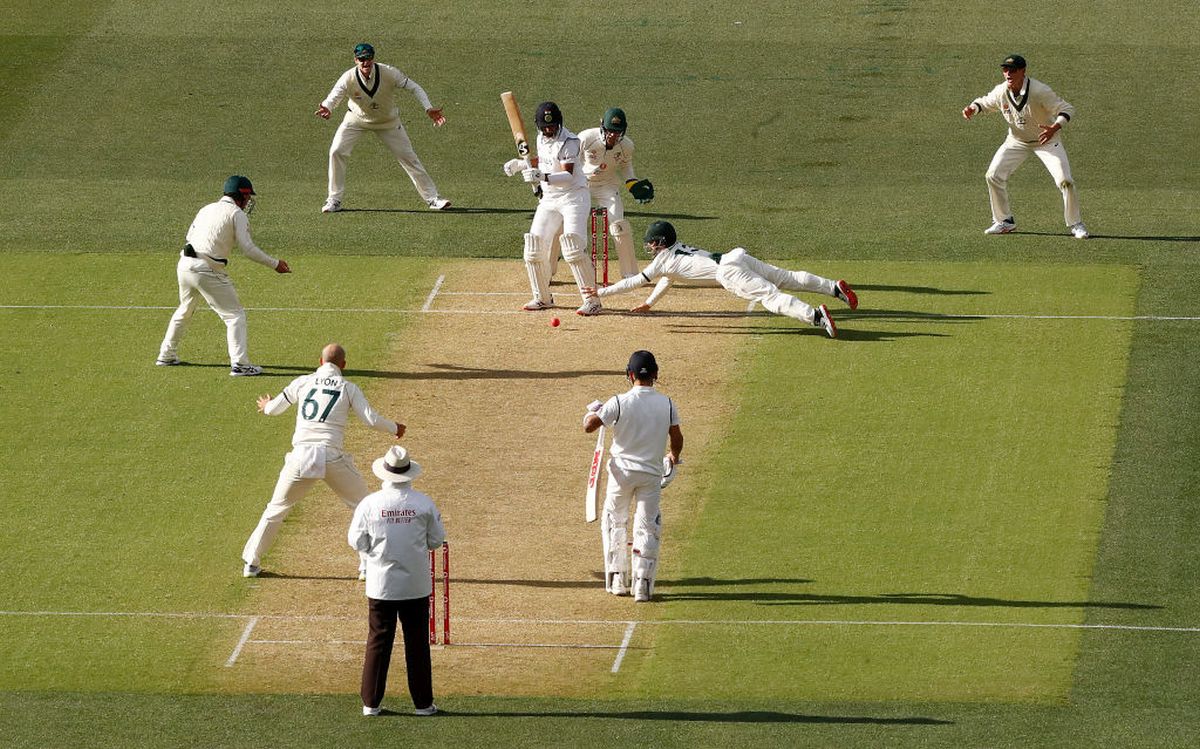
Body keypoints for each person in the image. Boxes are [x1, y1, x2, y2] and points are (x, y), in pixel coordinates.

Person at [241, 343, 405, 578]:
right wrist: (395, 428)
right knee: (363, 507)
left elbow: (273, 409)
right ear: (344, 366)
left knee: (275, 509)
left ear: (320, 362)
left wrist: (267, 406)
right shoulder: (349, 387)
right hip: (332, 457)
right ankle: (367, 567)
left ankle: (250, 562)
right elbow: (370, 420)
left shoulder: (303, 381)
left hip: (300, 456)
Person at [584, 220, 857, 338]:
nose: (650, 247)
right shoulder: (675, 254)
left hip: (728, 272)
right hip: (734, 257)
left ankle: (816, 317)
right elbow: (669, 279)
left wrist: (599, 292)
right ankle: (832, 287)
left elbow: (634, 281)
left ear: (661, 243)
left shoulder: (662, 260)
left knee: (770, 296)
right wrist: (650, 303)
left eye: (652, 243)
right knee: (786, 277)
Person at [155, 175, 291, 376]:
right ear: (242, 196)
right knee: (235, 316)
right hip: (207, 268)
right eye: (248, 197)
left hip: (184, 264)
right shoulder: (236, 214)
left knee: (185, 309)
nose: (248, 202)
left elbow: (190, 237)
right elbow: (247, 248)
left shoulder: (206, 209)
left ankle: (166, 355)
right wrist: (275, 264)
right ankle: (240, 365)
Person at [349, 445, 445, 717]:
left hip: (381, 584)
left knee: (378, 641)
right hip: (415, 585)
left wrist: (373, 552)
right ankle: (423, 704)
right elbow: (436, 540)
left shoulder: (370, 504)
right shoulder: (423, 503)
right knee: (417, 643)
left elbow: (356, 540)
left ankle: (371, 703)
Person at [584, 350, 683, 602]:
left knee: (615, 522)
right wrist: (672, 456)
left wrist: (595, 412)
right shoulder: (667, 403)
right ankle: (642, 585)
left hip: (621, 475)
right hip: (650, 475)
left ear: (629, 375)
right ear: (656, 375)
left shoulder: (618, 402)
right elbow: (677, 437)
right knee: (647, 527)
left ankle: (618, 579)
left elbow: (589, 426)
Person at [962, 54, 1088, 239]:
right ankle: (1004, 221)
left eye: (1012, 70)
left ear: (1023, 71)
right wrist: (973, 108)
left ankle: (1076, 223)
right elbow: (985, 102)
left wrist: (1054, 127)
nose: (1008, 74)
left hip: (1046, 142)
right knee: (993, 175)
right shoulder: (1001, 91)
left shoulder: (1039, 91)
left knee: (1065, 181)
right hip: (1016, 141)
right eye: (1005, 70)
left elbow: (1066, 109)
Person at [316, 42, 450, 213]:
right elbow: (335, 96)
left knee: (409, 158)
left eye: (369, 58)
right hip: (356, 120)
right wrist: (327, 107)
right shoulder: (348, 77)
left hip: (388, 122)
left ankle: (433, 199)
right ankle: (334, 200)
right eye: (362, 59)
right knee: (336, 151)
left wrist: (428, 107)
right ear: (355, 60)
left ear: (373, 58)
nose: (366, 63)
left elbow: (414, 87)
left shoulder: (389, 72)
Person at [502, 101, 602, 316]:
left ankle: (592, 300)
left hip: (574, 196)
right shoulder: (540, 138)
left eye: (553, 126)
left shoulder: (571, 141)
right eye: (545, 127)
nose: (549, 130)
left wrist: (542, 176)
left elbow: (566, 176)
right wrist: (522, 164)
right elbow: (546, 159)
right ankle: (542, 298)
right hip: (549, 198)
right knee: (533, 246)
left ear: (559, 123)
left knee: (573, 247)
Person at [576, 107, 655, 279]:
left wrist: (632, 184)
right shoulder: (585, 138)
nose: (613, 135)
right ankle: (552, 271)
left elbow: (626, 166)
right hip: (582, 185)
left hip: (607, 186)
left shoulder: (627, 146)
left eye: (618, 132)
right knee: (570, 224)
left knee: (619, 225)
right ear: (602, 127)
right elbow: (568, 160)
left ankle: (630, 273)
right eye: (610, 131)